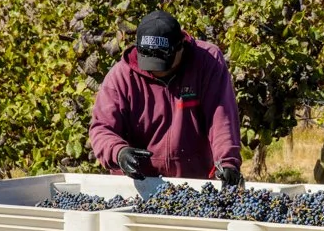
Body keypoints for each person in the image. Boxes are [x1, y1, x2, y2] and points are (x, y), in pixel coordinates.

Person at [89, 10, 244, 187]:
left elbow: (221, 117)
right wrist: (119, 152)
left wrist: (227, 162)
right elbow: (102, 128)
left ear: (180, 46)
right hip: (139, 186)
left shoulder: (207, 62)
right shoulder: (121, 77)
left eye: (164, 63)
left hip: (193, 184)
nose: (157, 71)